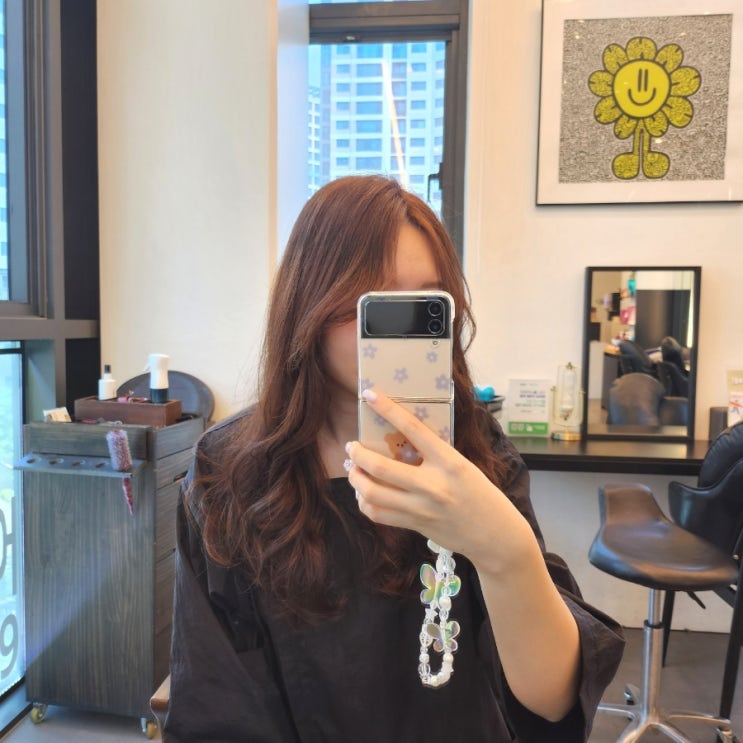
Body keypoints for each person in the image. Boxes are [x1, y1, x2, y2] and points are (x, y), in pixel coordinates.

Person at [165, 175, 624, 742]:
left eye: (425, 303)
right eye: (373, 302)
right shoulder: (229, 472)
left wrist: (505, 551)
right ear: (309, 303)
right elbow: (213, 706)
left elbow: (551, 704)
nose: (401, 331)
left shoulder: (475, 448)